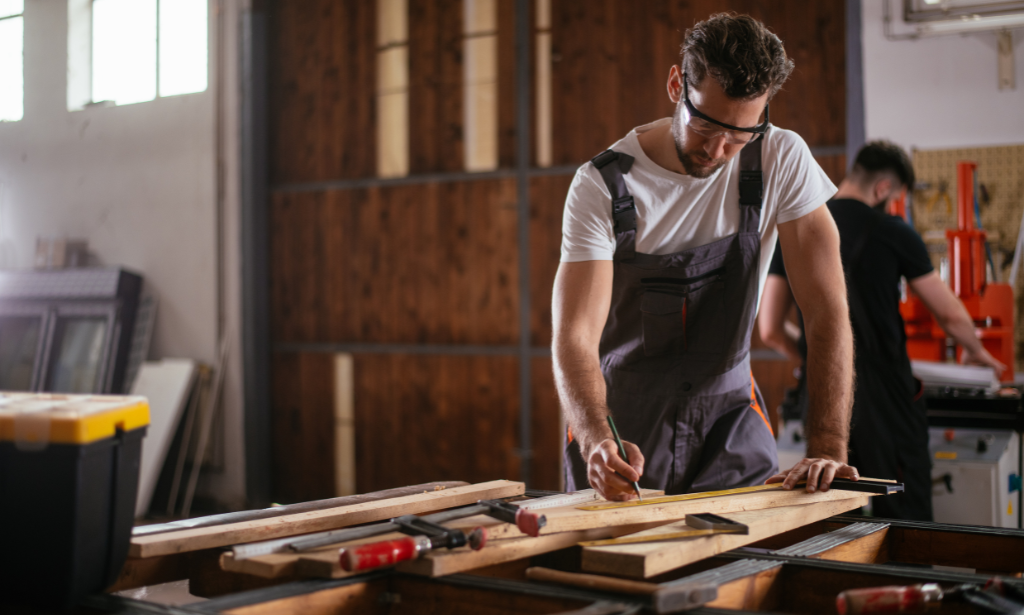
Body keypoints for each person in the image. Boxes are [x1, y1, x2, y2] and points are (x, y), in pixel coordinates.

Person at [552, 13, 859, 502]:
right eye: (706, 124)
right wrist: (595, 439)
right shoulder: (603, 186)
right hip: (623, 429)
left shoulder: (781, 157)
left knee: (746, 566)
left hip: (729, 424)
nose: (718, 150)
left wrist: (828, 446)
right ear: (677, 84)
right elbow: (574, 337)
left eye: (741, 135)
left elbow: (826, 313)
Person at [759, 140, 1006, 520]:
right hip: (887, 401)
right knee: (904, 516)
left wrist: (820, 362)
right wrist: (975, 350)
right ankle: (908, 581)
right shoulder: (893, 230)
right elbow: (950, 315)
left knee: (831, 511)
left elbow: (770, 328)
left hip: (823, 398)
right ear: (883, 189)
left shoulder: (797, 227)